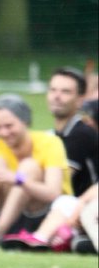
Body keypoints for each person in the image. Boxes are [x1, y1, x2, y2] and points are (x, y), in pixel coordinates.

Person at [0, 94, 69, 247]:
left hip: (44, 212)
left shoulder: (49, 143)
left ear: (25, 122)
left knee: (28, 166)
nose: (4, 133)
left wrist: (20, 180)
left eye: (9, 126)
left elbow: (53, 193)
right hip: (4, 210)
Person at [3, 182, 98, 253]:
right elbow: (84, 199)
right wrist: (67, 226)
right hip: (83, 224)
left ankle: (66, 240)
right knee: (66, 201)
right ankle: (41, 238)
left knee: (87, 212)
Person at [46, 66, 97, 194]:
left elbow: (59, 181)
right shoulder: (51, 135)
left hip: (84, 207)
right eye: (53, 90)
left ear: (80, 100)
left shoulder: (82, 134)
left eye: (65, 92)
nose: (56, 96)